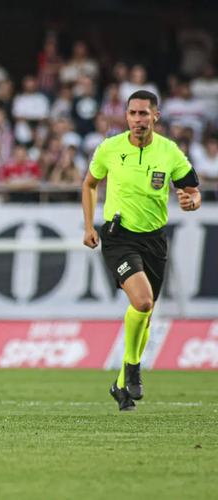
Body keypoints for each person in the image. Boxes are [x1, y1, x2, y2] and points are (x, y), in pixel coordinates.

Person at [83, 90, 201, 411]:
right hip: (119, 236)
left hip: (154, 240)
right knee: (143, 300)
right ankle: (133, 369)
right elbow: (90, 184)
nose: (138, 120)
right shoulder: (110, 148)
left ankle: (120, 384)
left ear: (155, 117)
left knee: (145, 315)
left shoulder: (169, 152)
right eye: (132, 114)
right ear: (126, 116)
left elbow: (192, 190)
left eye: (144, 114)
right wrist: (89, 227)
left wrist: (192, 201)